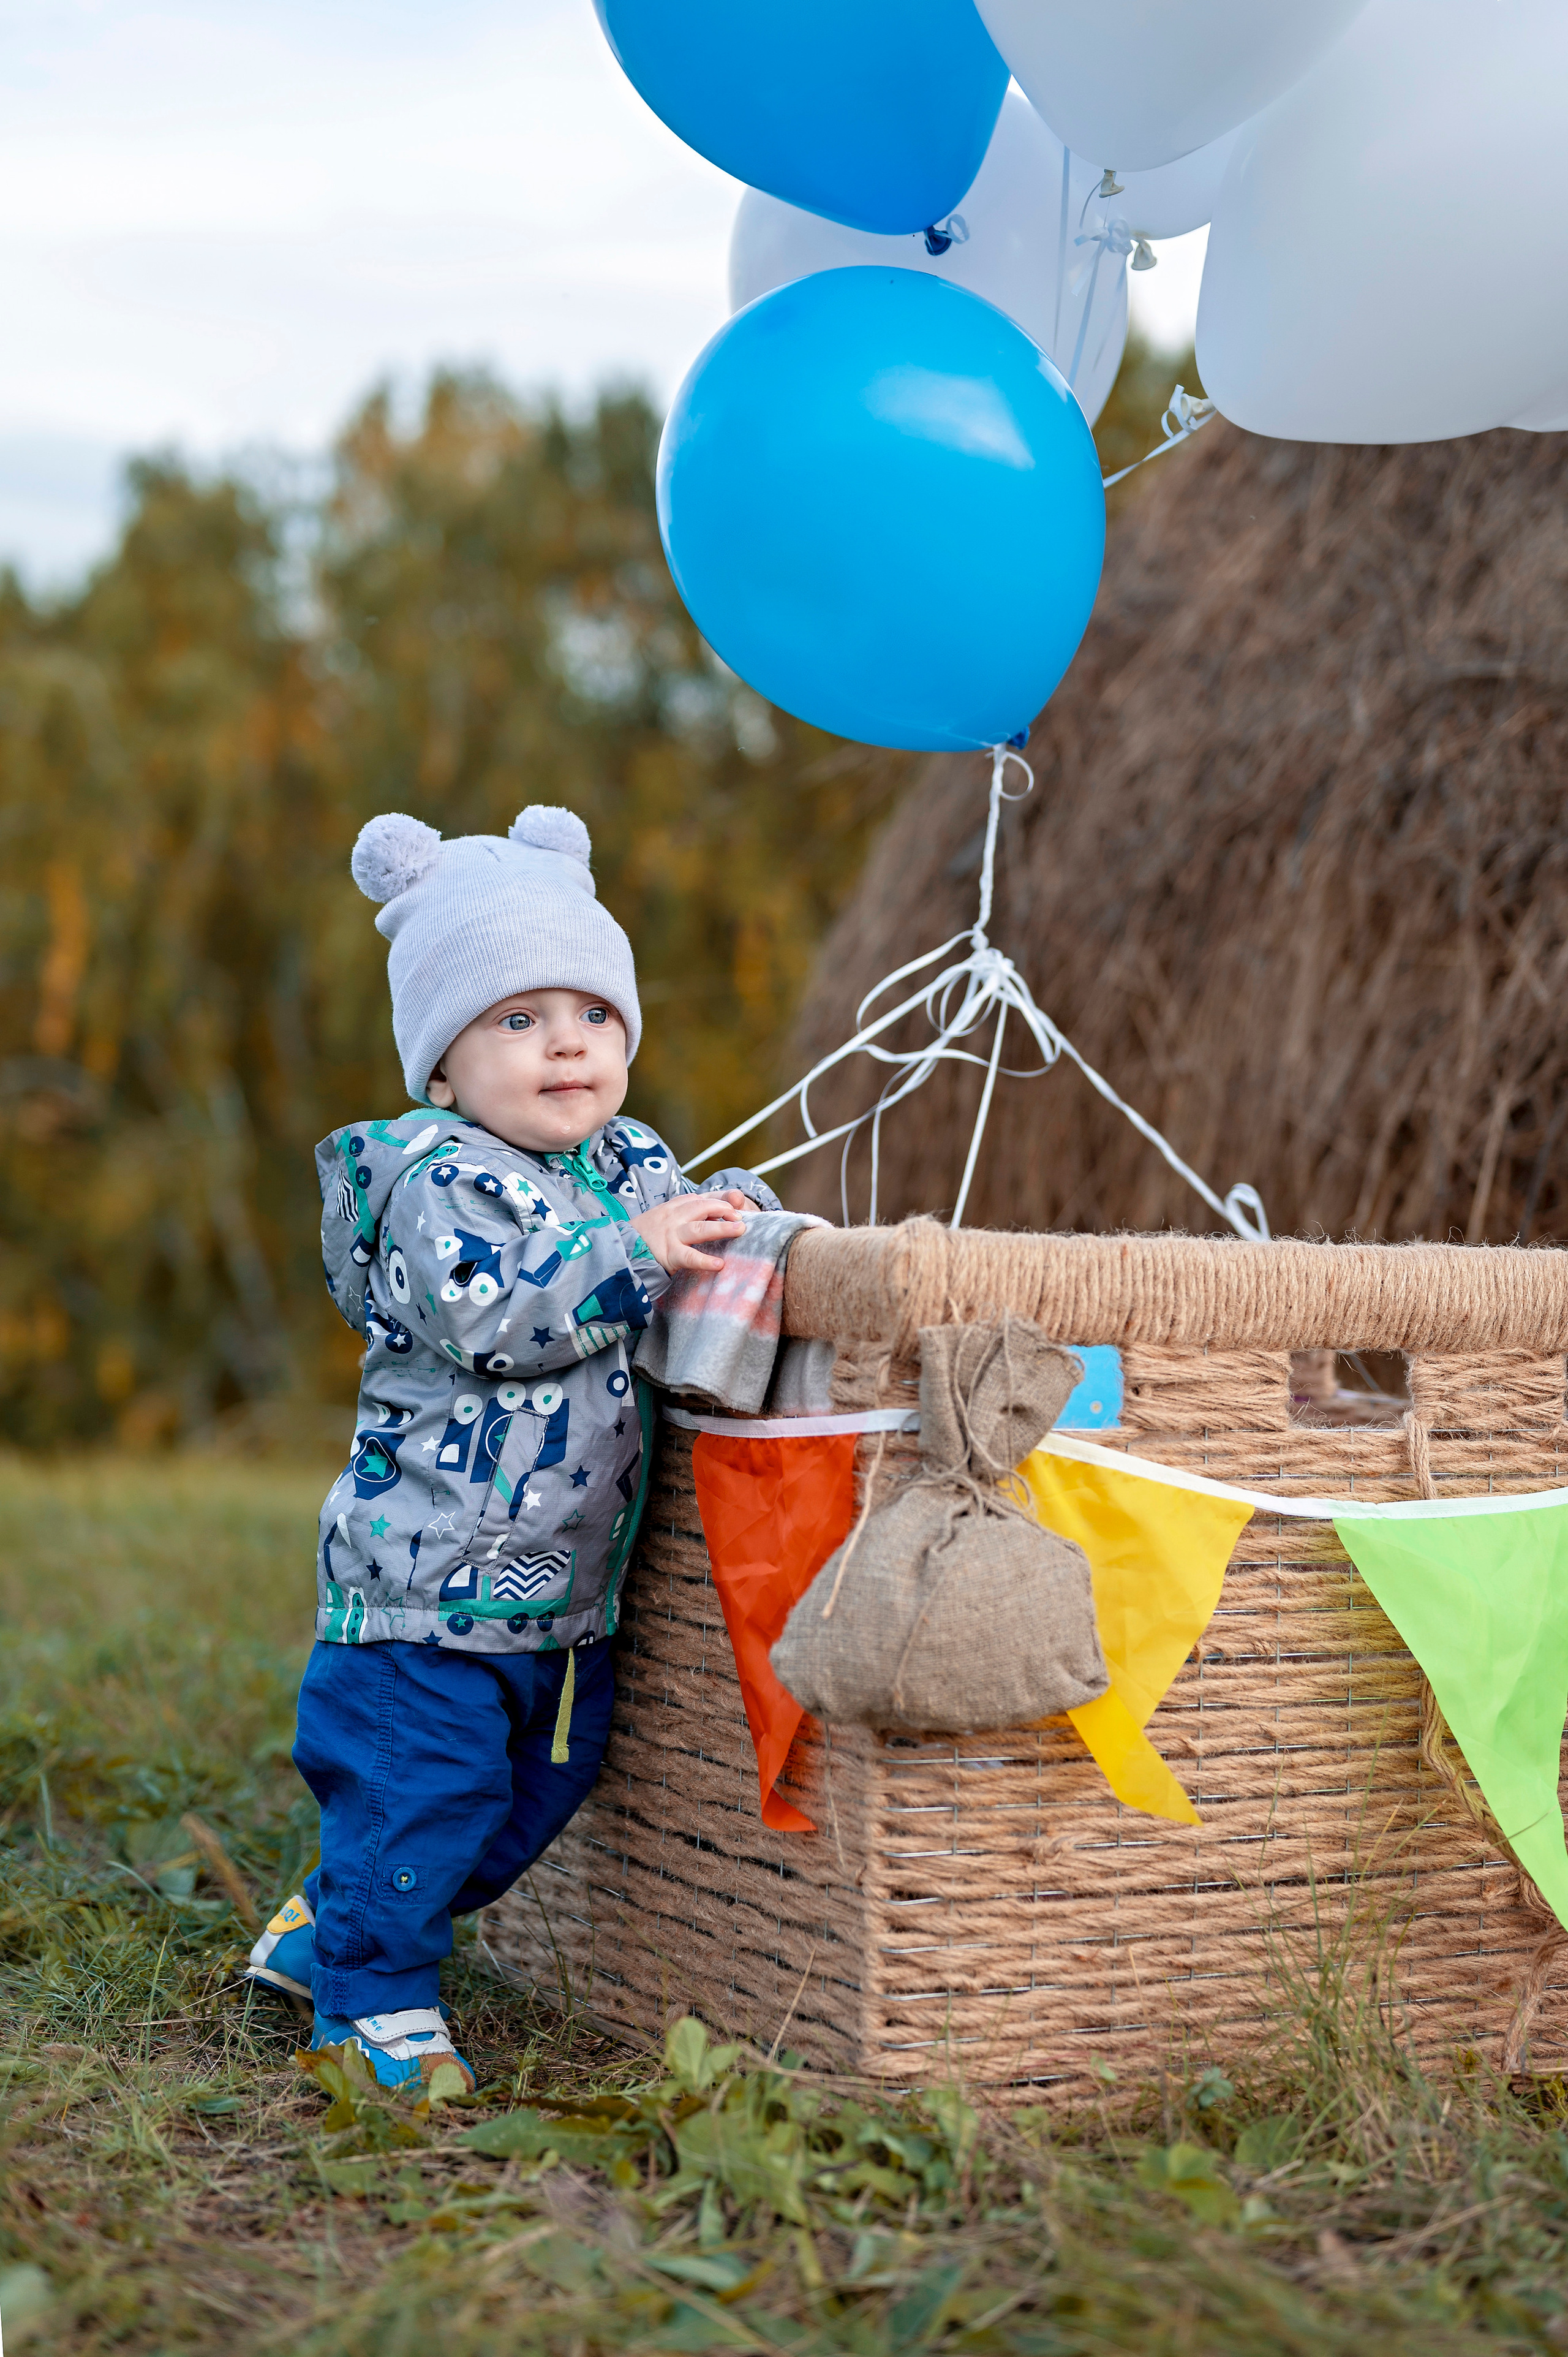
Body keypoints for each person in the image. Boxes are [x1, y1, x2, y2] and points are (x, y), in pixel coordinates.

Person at [244, 804, 775, 2087]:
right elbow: (504, 1314)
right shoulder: (438, 1177)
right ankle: (374, 2004)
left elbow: (682, 1228)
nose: (564, 1045)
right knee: (422, 1787)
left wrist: (741, 1221)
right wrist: (633, 1256)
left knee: (526, 1800)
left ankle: (339, 1917)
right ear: (442, 1064)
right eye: (516, 1020)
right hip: (424, 1585)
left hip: (558, 1590)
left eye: (590, 1014)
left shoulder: (628, 1159)